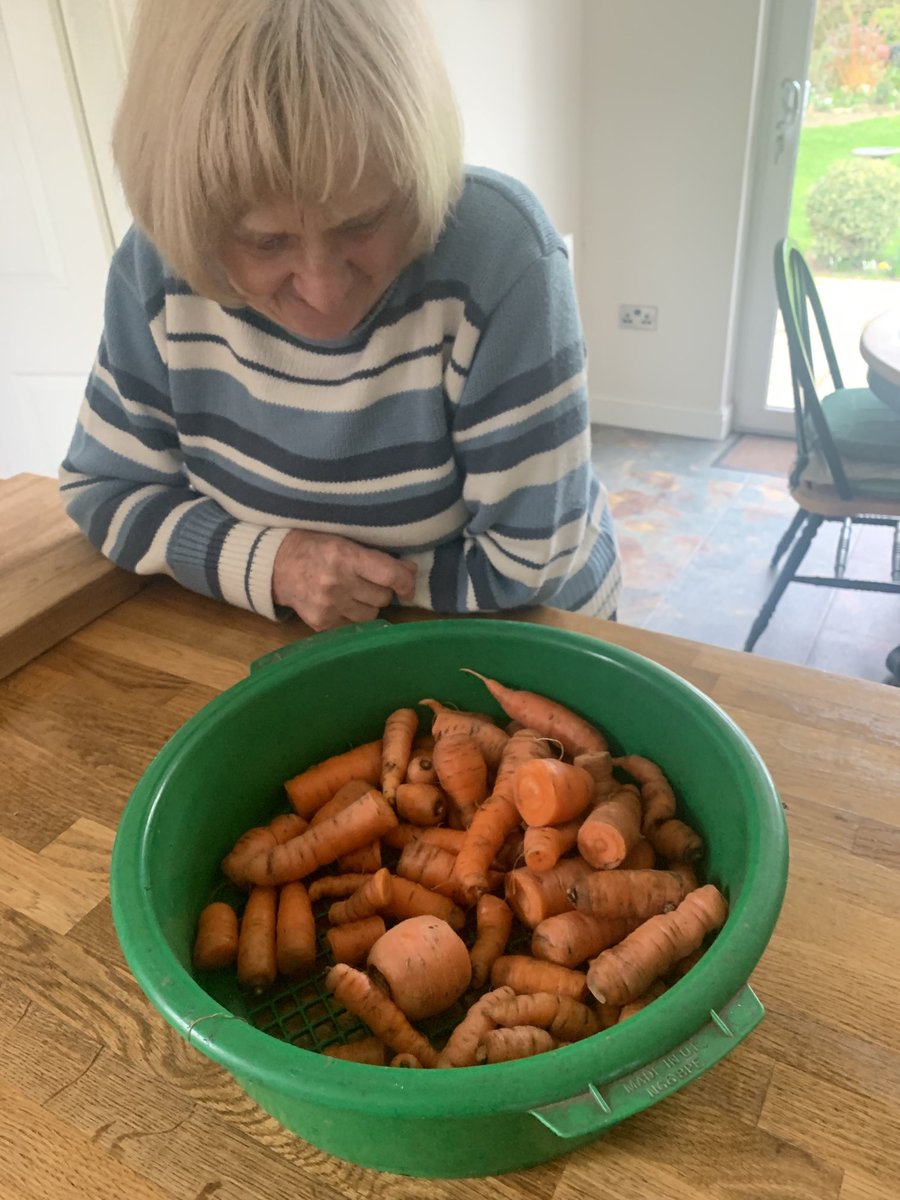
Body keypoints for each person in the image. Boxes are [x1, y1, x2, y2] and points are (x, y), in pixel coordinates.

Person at [60, 0, 621, 633]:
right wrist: (276, 567)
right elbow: (102, 490)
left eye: (362, 223)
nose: (325, 293)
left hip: (525, 625)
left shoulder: (502, 257)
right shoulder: (154, 270)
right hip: (294, 629)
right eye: (267, 242)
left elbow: (527, 568)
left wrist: (344, 588)